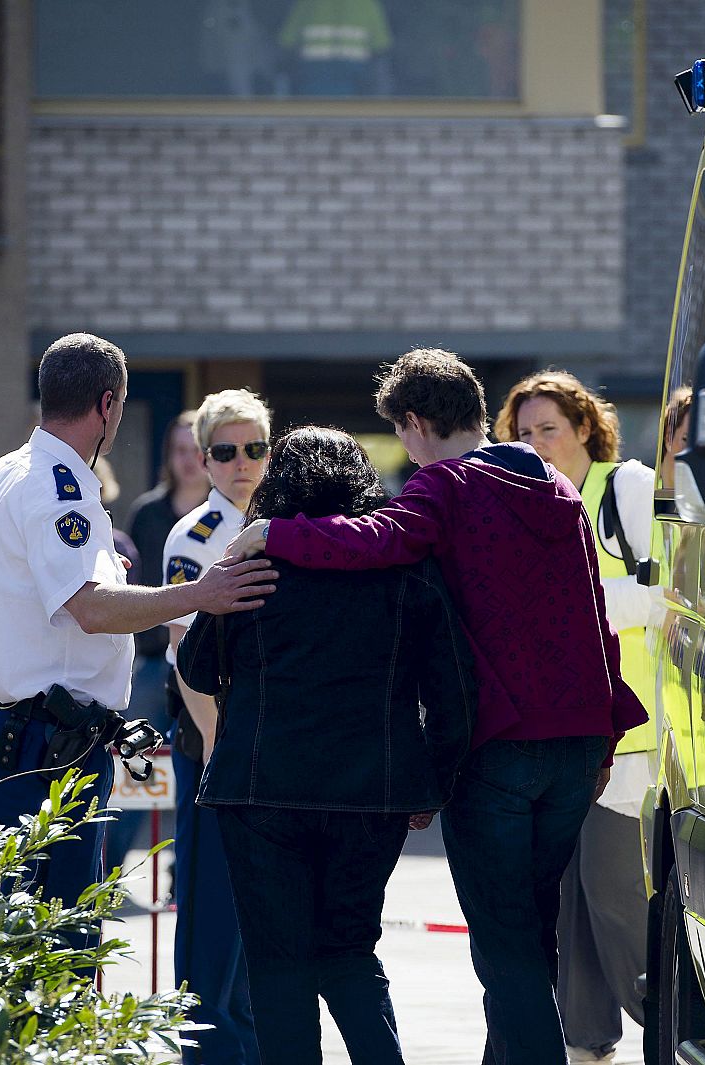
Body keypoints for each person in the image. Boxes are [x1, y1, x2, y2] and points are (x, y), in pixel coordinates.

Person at [229, 348, 647, 1065]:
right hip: (579, 743)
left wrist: (274, 531)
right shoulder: (552, 480)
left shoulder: (444, 486)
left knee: (506, 943)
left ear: (416, 423)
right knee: (531, 929)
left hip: (500, 746)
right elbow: (596, 616)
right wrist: (604, 740)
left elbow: (373, 539)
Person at [0, 333, 276, 966]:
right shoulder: (59, 486)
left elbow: (58, 595)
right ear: (108, 404)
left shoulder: (8, 470)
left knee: (29, 934)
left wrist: (120, 580)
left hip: (24, 728)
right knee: (61, 942)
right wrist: (200, 594)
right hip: (51, 743)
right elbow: (91, 608)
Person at [177, 426, 476, 1065]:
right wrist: (435, 784)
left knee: (278, 965)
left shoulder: (251, 561)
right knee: (349, 953)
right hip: (373, 792)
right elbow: (453, 693)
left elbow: (199, 669)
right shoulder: (406, 567)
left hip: (260, 792)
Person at [496, 370, 659, 1064]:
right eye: (523, 433)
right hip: (560, 738)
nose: (535, 444)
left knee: (614, 894)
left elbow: (664, 595)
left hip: (631, 738)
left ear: (585, 428)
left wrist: (567, 606)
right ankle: (588, 1044)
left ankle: (675, 1019)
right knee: (571, 905)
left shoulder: (627, 488)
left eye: (548, 430)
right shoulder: (525, 506)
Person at [160, 388, 273, 1065]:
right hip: (216, 752)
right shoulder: (196, 537)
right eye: (225, 452)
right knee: (211, 925)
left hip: (269, 755)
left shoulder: (285, 523)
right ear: (203, 459)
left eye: (254, 449)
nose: (241, 463)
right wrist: (218, 757)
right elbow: (187, 664)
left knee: (260, 927)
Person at [126, 412, 212, 734]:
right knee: (137, 767)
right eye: (179, 450)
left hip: (209, 664)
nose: (188, 460)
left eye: (196, 450)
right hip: (151, 662)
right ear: (168, 455)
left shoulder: (231, 516)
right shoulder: (146, 513)